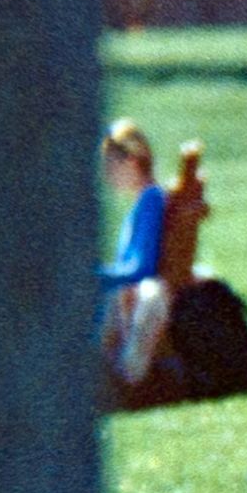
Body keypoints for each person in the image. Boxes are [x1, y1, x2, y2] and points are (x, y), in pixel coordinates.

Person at [95, 118, 169, 391]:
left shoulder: (151, 201)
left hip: (141, 291)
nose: (106, 175)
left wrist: (93, 275)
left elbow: (141, 268)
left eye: (110, 165)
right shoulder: (144, 201)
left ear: (132, 161)